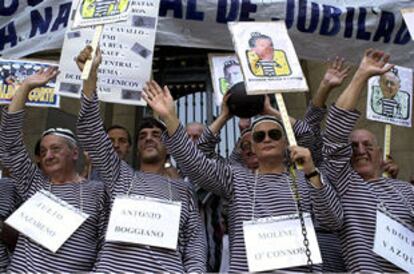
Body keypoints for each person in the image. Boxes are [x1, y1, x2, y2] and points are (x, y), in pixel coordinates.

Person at [143, 80, 343, 272]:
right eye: (259, 136)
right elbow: (195, 162)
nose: (266, 139)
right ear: (252, 147)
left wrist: (271, 112)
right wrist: (170, 118)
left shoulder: (307, 178)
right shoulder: (236, 179)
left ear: (285, 143)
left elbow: (334, 221)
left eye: (274, 134)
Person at [75, 46, 206, 272]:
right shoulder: (119, 175)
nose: (149, 139)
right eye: (143, 136)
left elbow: (195, 244)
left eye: (156, 135)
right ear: (136, 149)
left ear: (169, 146)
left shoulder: (183, 190)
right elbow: (90, 130)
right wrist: (90, 76)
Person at [0, 68, 108, 272]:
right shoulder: (34, 183)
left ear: (74, 153)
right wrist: (25, 88)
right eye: (43, 151)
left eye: (56, 149)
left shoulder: (97, 192)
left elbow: (105, 246)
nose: (48, 156)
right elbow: (9, 144)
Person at [323, 48, 414, 272]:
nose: (360, 150)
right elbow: (334, 134)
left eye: (368, 145)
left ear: (381, 154)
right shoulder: (346, 187)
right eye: (352, 146)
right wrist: (361, 75)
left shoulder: (406, 191)